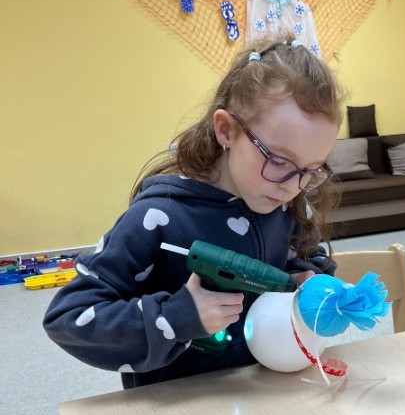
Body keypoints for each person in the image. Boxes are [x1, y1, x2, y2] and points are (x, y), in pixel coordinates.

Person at [43, 38, 346, 388]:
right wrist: (177, 317)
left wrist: (308, 282)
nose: (292, 186)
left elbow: (312, 258)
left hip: (266, 391)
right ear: (226, 130)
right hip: (178, 407)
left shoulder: (289, 205)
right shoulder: (158, 217)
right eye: (278, 161)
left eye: (311, 170)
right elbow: (69, 317)